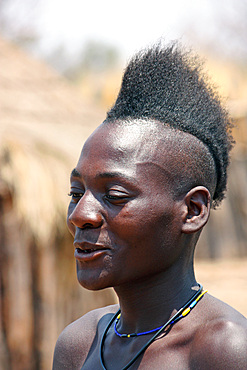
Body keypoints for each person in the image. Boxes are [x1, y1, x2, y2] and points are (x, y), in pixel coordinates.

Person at [53, 42, 247, 369]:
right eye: (76, 192)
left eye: (114, 195)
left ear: (193, 210)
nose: (80, 215)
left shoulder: (224, 350)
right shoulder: (78, 344)